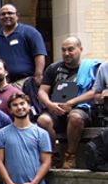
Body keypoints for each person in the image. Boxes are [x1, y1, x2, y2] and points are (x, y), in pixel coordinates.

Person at [36, 36, 97, 169]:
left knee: (75, 117)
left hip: (80, 108)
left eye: (70, 49)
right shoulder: (53, 68)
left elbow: (94, 91)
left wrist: (71, 102)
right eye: (63, 50)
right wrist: (50, 105)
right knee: (42, 120)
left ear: (80, 49)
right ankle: (54, 154)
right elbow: (42, 91)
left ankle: (70, 155)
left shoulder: (91, 68)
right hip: (56, 108)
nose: (66, 53)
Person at [0, 4, 47, 86]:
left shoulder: (30, 32)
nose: (6, 16)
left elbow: (39, 54)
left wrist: (38, 75)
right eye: (3, 14)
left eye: (10, 13)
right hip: (3, 84)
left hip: (26, 82)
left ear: (17, 16)